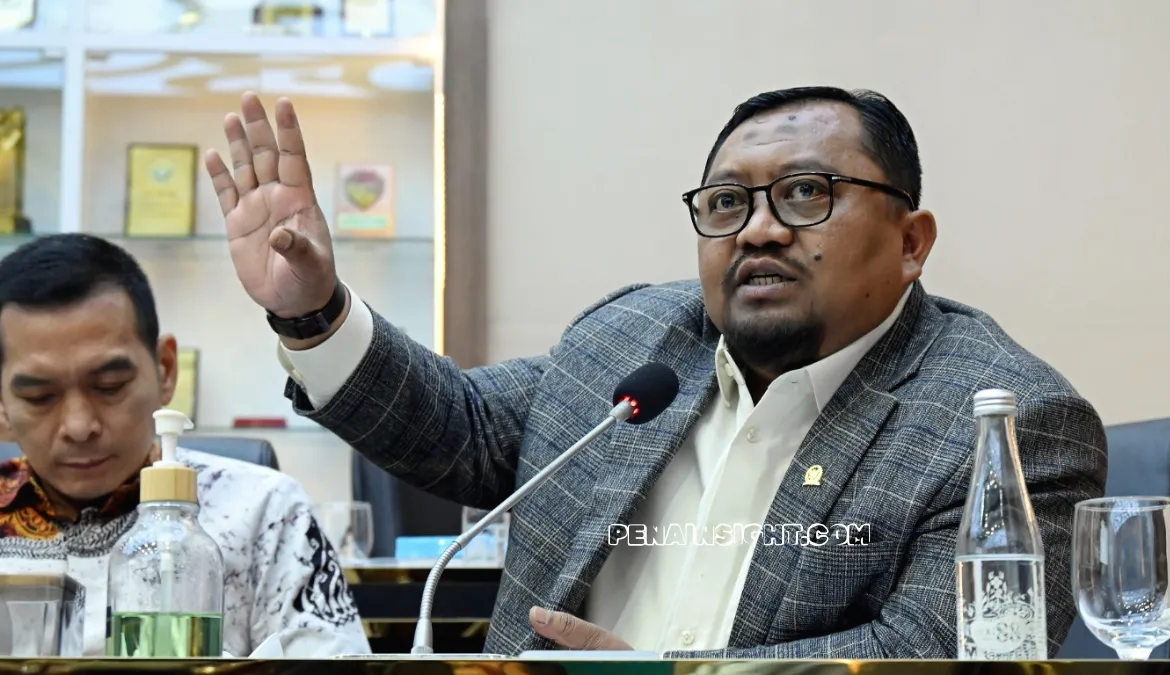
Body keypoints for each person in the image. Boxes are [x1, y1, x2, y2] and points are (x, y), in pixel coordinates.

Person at [206, 87, 1107, 658]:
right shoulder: (635, 340)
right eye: (727, 202)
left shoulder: (1006, 424)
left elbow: (932, 654)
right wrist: (313, 312)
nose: (759, 229)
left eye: (806, 194)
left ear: (912, 242)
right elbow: (461, 426)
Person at [0, 234, 371, 657]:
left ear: (165, 370)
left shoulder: (265, 512)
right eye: (40, 397)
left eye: (110, 386)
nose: (80, 426)